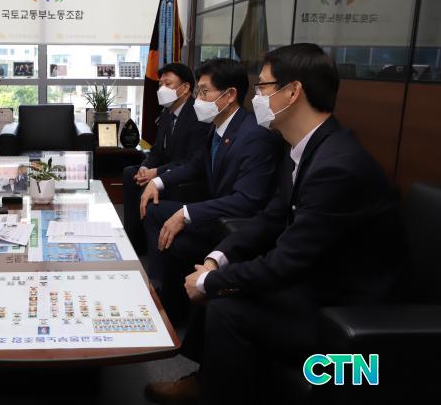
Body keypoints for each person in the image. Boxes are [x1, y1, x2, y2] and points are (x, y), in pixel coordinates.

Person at [144, 43, 403, 404]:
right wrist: (217, 259)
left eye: (263, 87)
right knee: (221, 281)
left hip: (342, 309)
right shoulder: (306, 148)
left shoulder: (336, 166)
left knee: (225, 304)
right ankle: (205, 380)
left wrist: (210, 280)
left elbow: (288, 261)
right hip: (312, 284)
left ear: (293, 92)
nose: (256, 98)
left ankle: (211, 390)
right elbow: (270, 217)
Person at [140, 58, 281, 314]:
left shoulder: (254, 135)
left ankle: (171, 305)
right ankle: (160, 286)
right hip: (216, 211)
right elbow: (196, 165)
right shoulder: (217, 125)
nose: (198, 99)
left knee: (175, 238)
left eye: (204, 92)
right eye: (198, 92)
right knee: (154, 211)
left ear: (230, 95)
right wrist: (158, 181)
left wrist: (186, 214)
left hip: (233, 224)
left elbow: (247, 201)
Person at [122, 62, 211, 254]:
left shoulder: (198, 115)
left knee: (146, 184)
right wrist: (146, 167)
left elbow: (192, 162)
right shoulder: (167, 113)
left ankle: (146, 244)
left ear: (185, 88)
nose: (162, 89)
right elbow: (156, 151)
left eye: (168, 84)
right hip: (165, 169)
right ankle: (134, 241)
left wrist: (157, 172)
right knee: (131, 173)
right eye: (160, 84)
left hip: (184, 179)